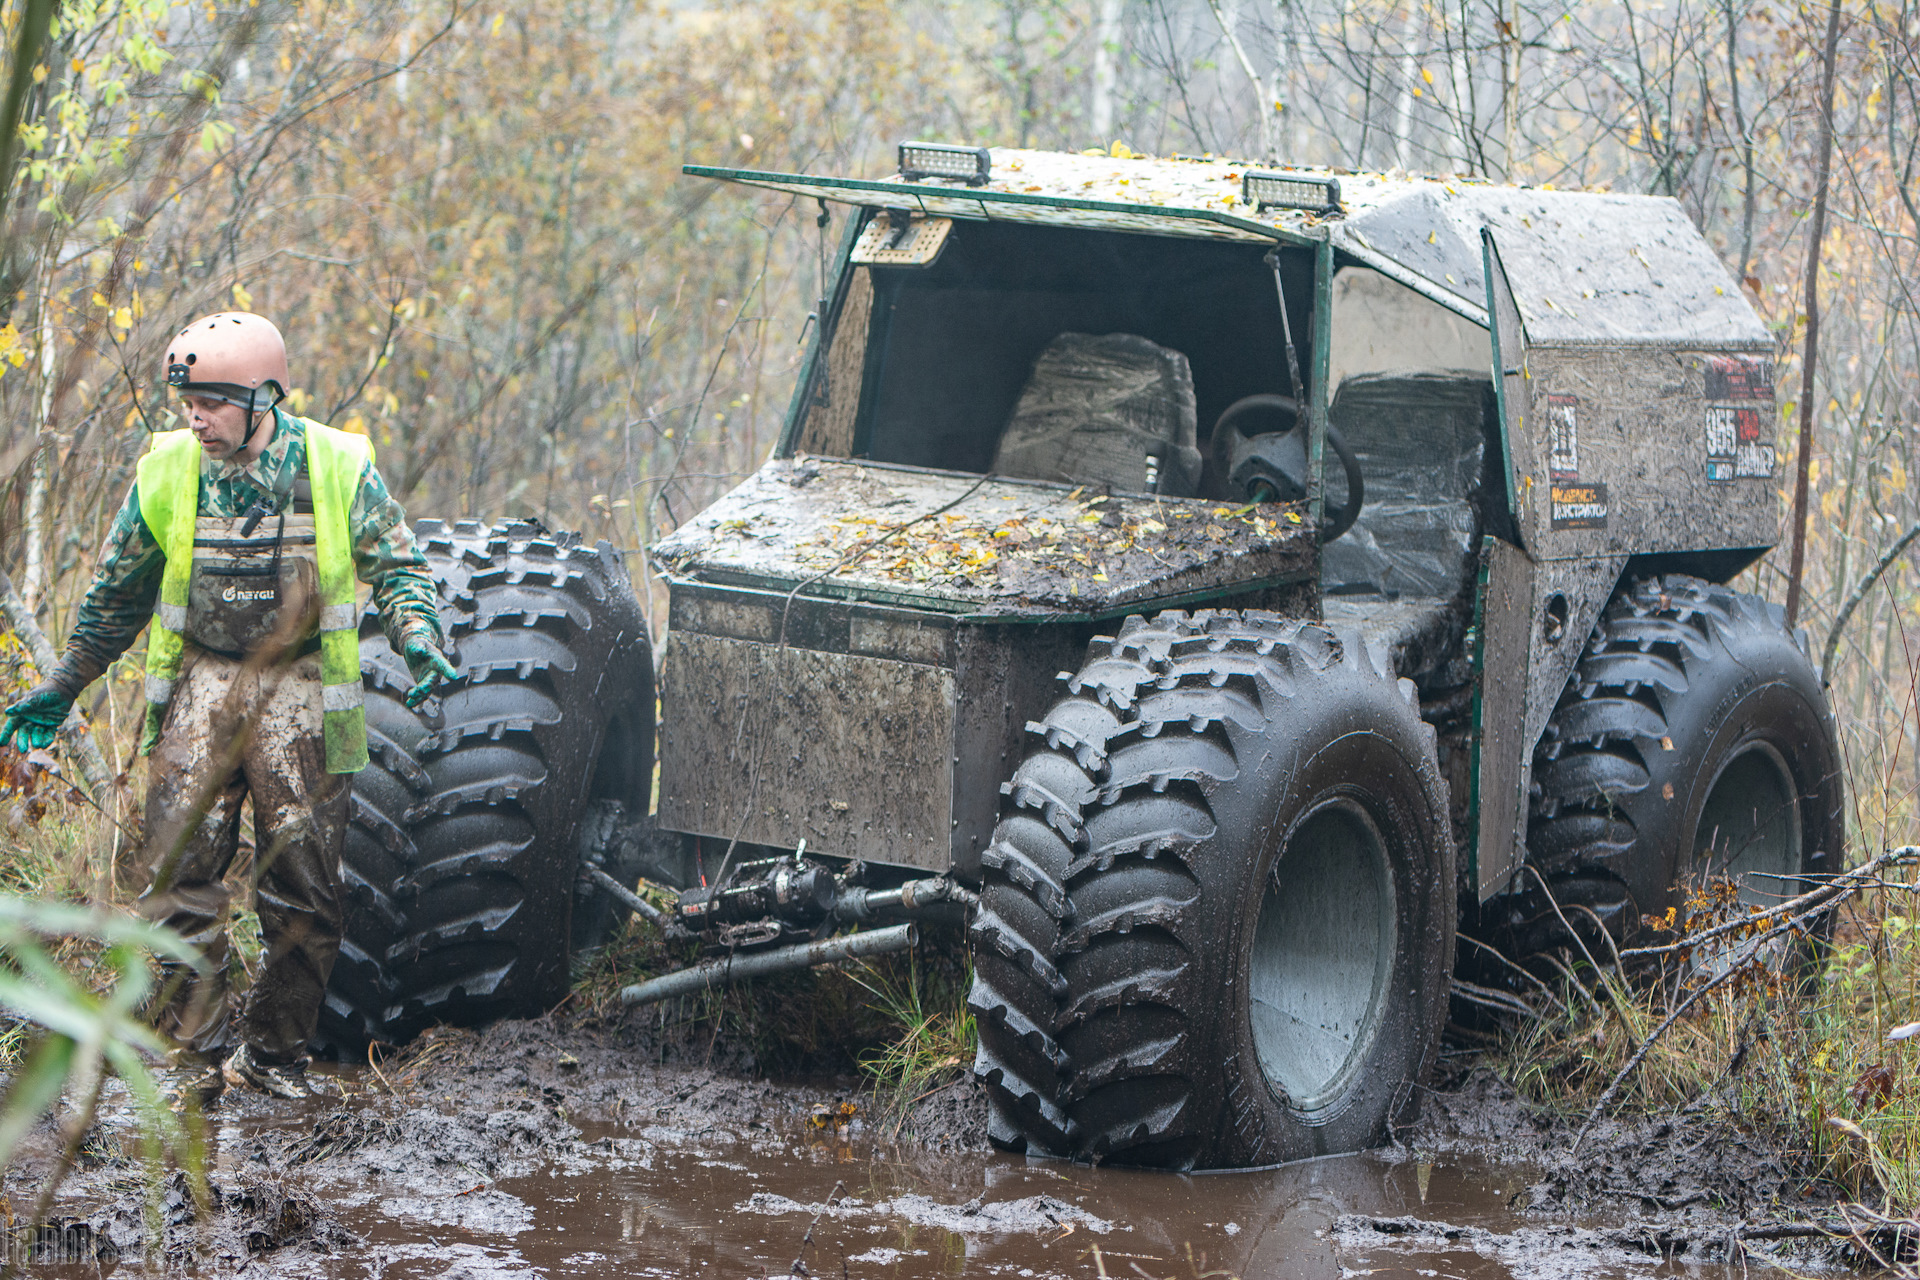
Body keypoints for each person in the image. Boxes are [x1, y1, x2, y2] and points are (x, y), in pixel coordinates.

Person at [0, 312, 458, 1102]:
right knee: (177, 881)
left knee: (306, 892)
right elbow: (116, 597)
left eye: (210, 403)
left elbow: (400, 569)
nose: (194, 420)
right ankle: (194, 1058)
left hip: (303, 688)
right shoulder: (167, 471)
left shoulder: (337, 465)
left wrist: (419, 637)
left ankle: (273, 1058)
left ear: (264, 395)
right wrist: (64, 682)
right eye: (185, 403)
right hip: (202, 684)